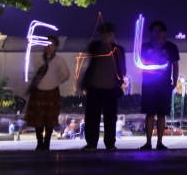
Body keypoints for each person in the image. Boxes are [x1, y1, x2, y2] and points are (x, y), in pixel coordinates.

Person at [79, 23, 126, 151]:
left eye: (108, 33)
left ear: (112, 35)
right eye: (104, 33)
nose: (106, 35)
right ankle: (91, 143)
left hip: (110, 88)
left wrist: (118, 81)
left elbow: (123, 69)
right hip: (94, 86)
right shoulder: (94, 46)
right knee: (92, 117)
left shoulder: (118, 49)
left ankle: (110, 143)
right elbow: (86, 63)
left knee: (110, 117)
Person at [138, 21, 180, 150]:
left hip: (164, 84)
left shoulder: (171, 47)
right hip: (149, 84)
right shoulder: (145, 46)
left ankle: (160, 142)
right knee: (149, 113)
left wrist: (174, 81)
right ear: (151, 33)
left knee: (162, 113)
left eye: (159, 31)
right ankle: (148, 142)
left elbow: (175, 64)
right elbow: (141, 62)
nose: (157, 33)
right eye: (154, 31)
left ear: (164, 32)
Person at [24, 35, 70, 151]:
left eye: (51, 44)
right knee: (38, 120)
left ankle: (47, 142)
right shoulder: (39, 59)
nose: (48, 46)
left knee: (50, 119)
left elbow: (66, 74)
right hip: (38, 91)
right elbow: (35, 73)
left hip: (52, 91)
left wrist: (56, 82)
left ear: (56, 47)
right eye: (46, 44)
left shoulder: (59, 60)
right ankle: (40, 142)